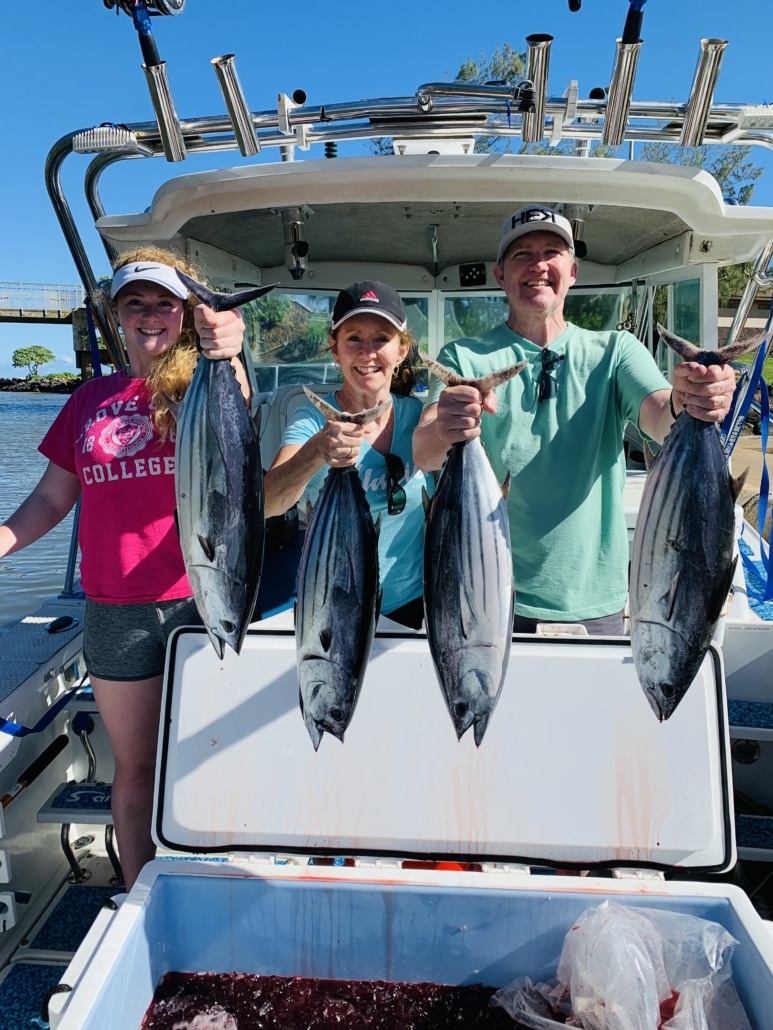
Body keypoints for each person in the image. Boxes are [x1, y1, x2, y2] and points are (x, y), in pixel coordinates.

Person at [0, 246, 246, 890]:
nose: (149, 315)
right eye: (133, 302)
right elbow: (53, 499)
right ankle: (144, 897)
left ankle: (213, 883)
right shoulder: (88, 401)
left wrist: (227, 346)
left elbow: (239, 399)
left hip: (203, 599)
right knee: (135, 770)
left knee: (211, 760)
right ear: (115, 315)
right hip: (116, 610)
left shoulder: (203, 384)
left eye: (164, 302)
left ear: (185, 314)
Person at [413, 204, 737, 635]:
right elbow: (424, 453)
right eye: (521, 255)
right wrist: (443, 427)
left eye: (552, 252)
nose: (538, 265)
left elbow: (662, 417)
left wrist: (691, 397)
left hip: (596, 600)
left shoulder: (616, 350)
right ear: (500, 274)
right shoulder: (462, 358)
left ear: (573, 271)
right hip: (486, 586)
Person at [264, 280, 431, 629]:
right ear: (335, 348)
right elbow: (268, 503)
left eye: (381, 339)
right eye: (353, 338)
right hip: (328, 600)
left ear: (401, 350)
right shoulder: (312, 418)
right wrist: (316, 451)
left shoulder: (421, 418)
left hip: (410, 606)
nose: (367, 352)